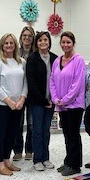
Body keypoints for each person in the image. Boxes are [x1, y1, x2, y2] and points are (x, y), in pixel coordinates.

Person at [0, 34, 28, 176]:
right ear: (2, 45)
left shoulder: (21, 62)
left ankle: (6, 160)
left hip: (18, 105)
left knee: (12, 134)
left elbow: (25, 82)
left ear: (15, 45)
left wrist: (22, 99)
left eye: (11, 43)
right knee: (0, 135)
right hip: (2, 106)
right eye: (6, 43)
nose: (9, 45)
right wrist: (9, 101)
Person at [50, 31, 86, 177]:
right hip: (61, 105)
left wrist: (65, 100)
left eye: (68, 42)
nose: (65, 45)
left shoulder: (78, 60)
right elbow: (52, 80)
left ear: (73, 43)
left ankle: (75, 165)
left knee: (73, 135)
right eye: (63, 42)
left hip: (74, 105)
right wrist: (55, 99)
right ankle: (68, 161)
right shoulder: (57, 60)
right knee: (66, 134)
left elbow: (77, 84)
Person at [26, 31, 58, 171]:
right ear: (36, 43)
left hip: (51, 101)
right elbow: (31, 82)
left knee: (46, 130)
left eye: (45, 40)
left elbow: (58, 80)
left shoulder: (55, 58)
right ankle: (37, 159)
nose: (43, 42)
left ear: (49, 42)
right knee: (37, 130)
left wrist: (53, 99)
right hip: (37, 102)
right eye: (40, 40)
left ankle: (45, 158)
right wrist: (43, 100)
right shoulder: (32, 59)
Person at [13, 26, 36, 161]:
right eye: (24, 36)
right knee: (18, 123)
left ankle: (29, 149)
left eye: (29, 36)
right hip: (18, 93)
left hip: (32, 94)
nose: (27, 38)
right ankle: (17, 150)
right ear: (20, 38)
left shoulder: (37, 52)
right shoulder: (15, 53)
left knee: (32, 124)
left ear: (33, 38)